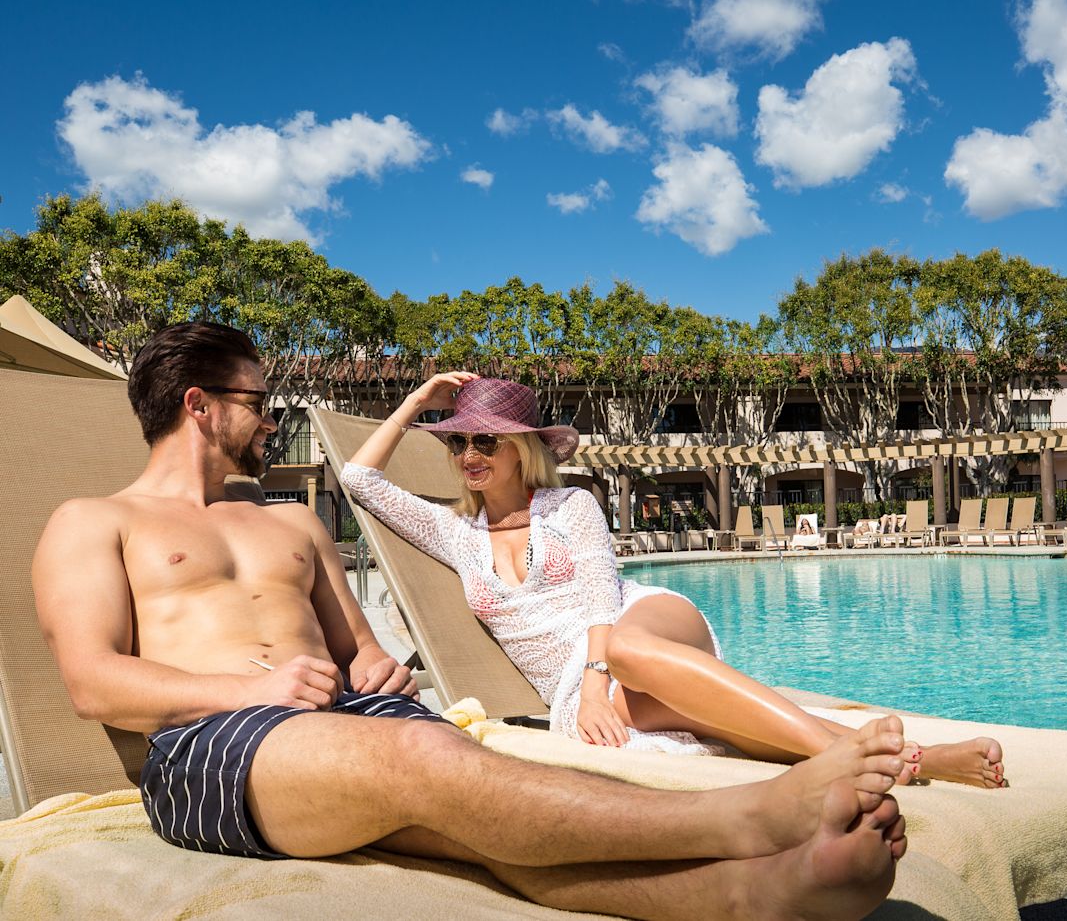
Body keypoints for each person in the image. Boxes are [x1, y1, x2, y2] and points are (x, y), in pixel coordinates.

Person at [34, 322, 909, 921]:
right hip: (213, 746)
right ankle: (749, 821)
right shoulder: (95, 521)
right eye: (261, 403)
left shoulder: (292, 523)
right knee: (426, 759)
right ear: (200, 404)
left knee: (486, 830)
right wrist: (246, 687)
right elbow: (91, 682)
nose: (272, 420)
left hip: (346, 726)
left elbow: (362, 651)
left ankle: (759, 896)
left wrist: (380, 667)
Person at [345, 373, 1007, 789]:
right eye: (457, 442)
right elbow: (357, 481)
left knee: (630, 651)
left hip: (637, 627)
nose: (467, 456)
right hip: (573, 687)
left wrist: (602, 680)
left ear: (524, 448)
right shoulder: (452, 532)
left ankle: (848, 766)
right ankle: (915, 760)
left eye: (485, 442)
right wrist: (414, 403)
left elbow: (605, 594)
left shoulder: (569, 504)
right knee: (722, 722)